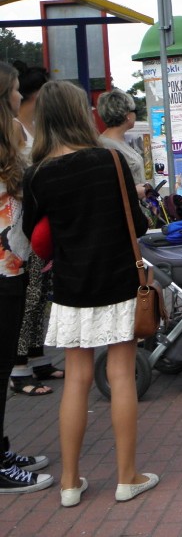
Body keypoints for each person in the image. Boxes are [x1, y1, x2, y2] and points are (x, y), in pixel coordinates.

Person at [22, 80, 159, 507]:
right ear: (81, 113)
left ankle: (68, 483)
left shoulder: (37, 175)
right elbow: (136, 225)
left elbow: (33, 238)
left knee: (77, 381)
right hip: (118, 281)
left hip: (70, 287)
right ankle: (126, 477)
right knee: (120, 376)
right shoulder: (108, 161)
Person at [0, 61, 54, 493]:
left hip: (11, 263)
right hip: (4, 268)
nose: (21, 96)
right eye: (16, 90)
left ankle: (1, 449)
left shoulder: (12, 138)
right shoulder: (13, 139)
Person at [9, 61, 62, 396]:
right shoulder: (15, 129)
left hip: (37, 220)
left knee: (42, 293)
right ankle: (19, 367)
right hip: (19, 223)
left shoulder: (35, 128)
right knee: (28, 296)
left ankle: (37, 355)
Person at [97, 89, 148, 199]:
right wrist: (133, 193)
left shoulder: (118, 141)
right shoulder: (105, 146)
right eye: (135, 111)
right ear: (127, 115)